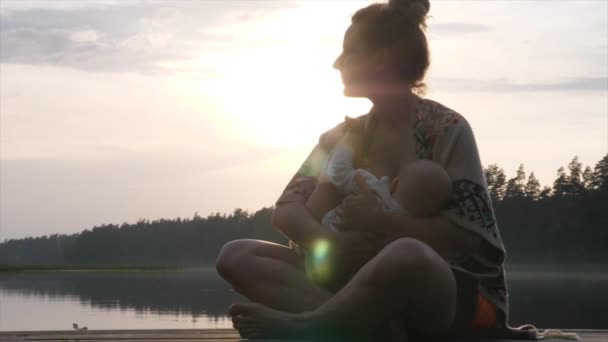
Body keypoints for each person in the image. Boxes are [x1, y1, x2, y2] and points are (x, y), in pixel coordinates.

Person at [216, 0, 529, 339]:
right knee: (237, 255)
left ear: (381, 59)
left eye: (348, 52)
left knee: (407, 254)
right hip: (351, 278)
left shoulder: (446, 129)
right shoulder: (340, 136)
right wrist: (331, 246)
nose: (337, 62)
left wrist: (382, 223)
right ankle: (360, 325)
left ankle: (316, 325)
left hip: (440, 298)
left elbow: (466, 236)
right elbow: (286, 211)